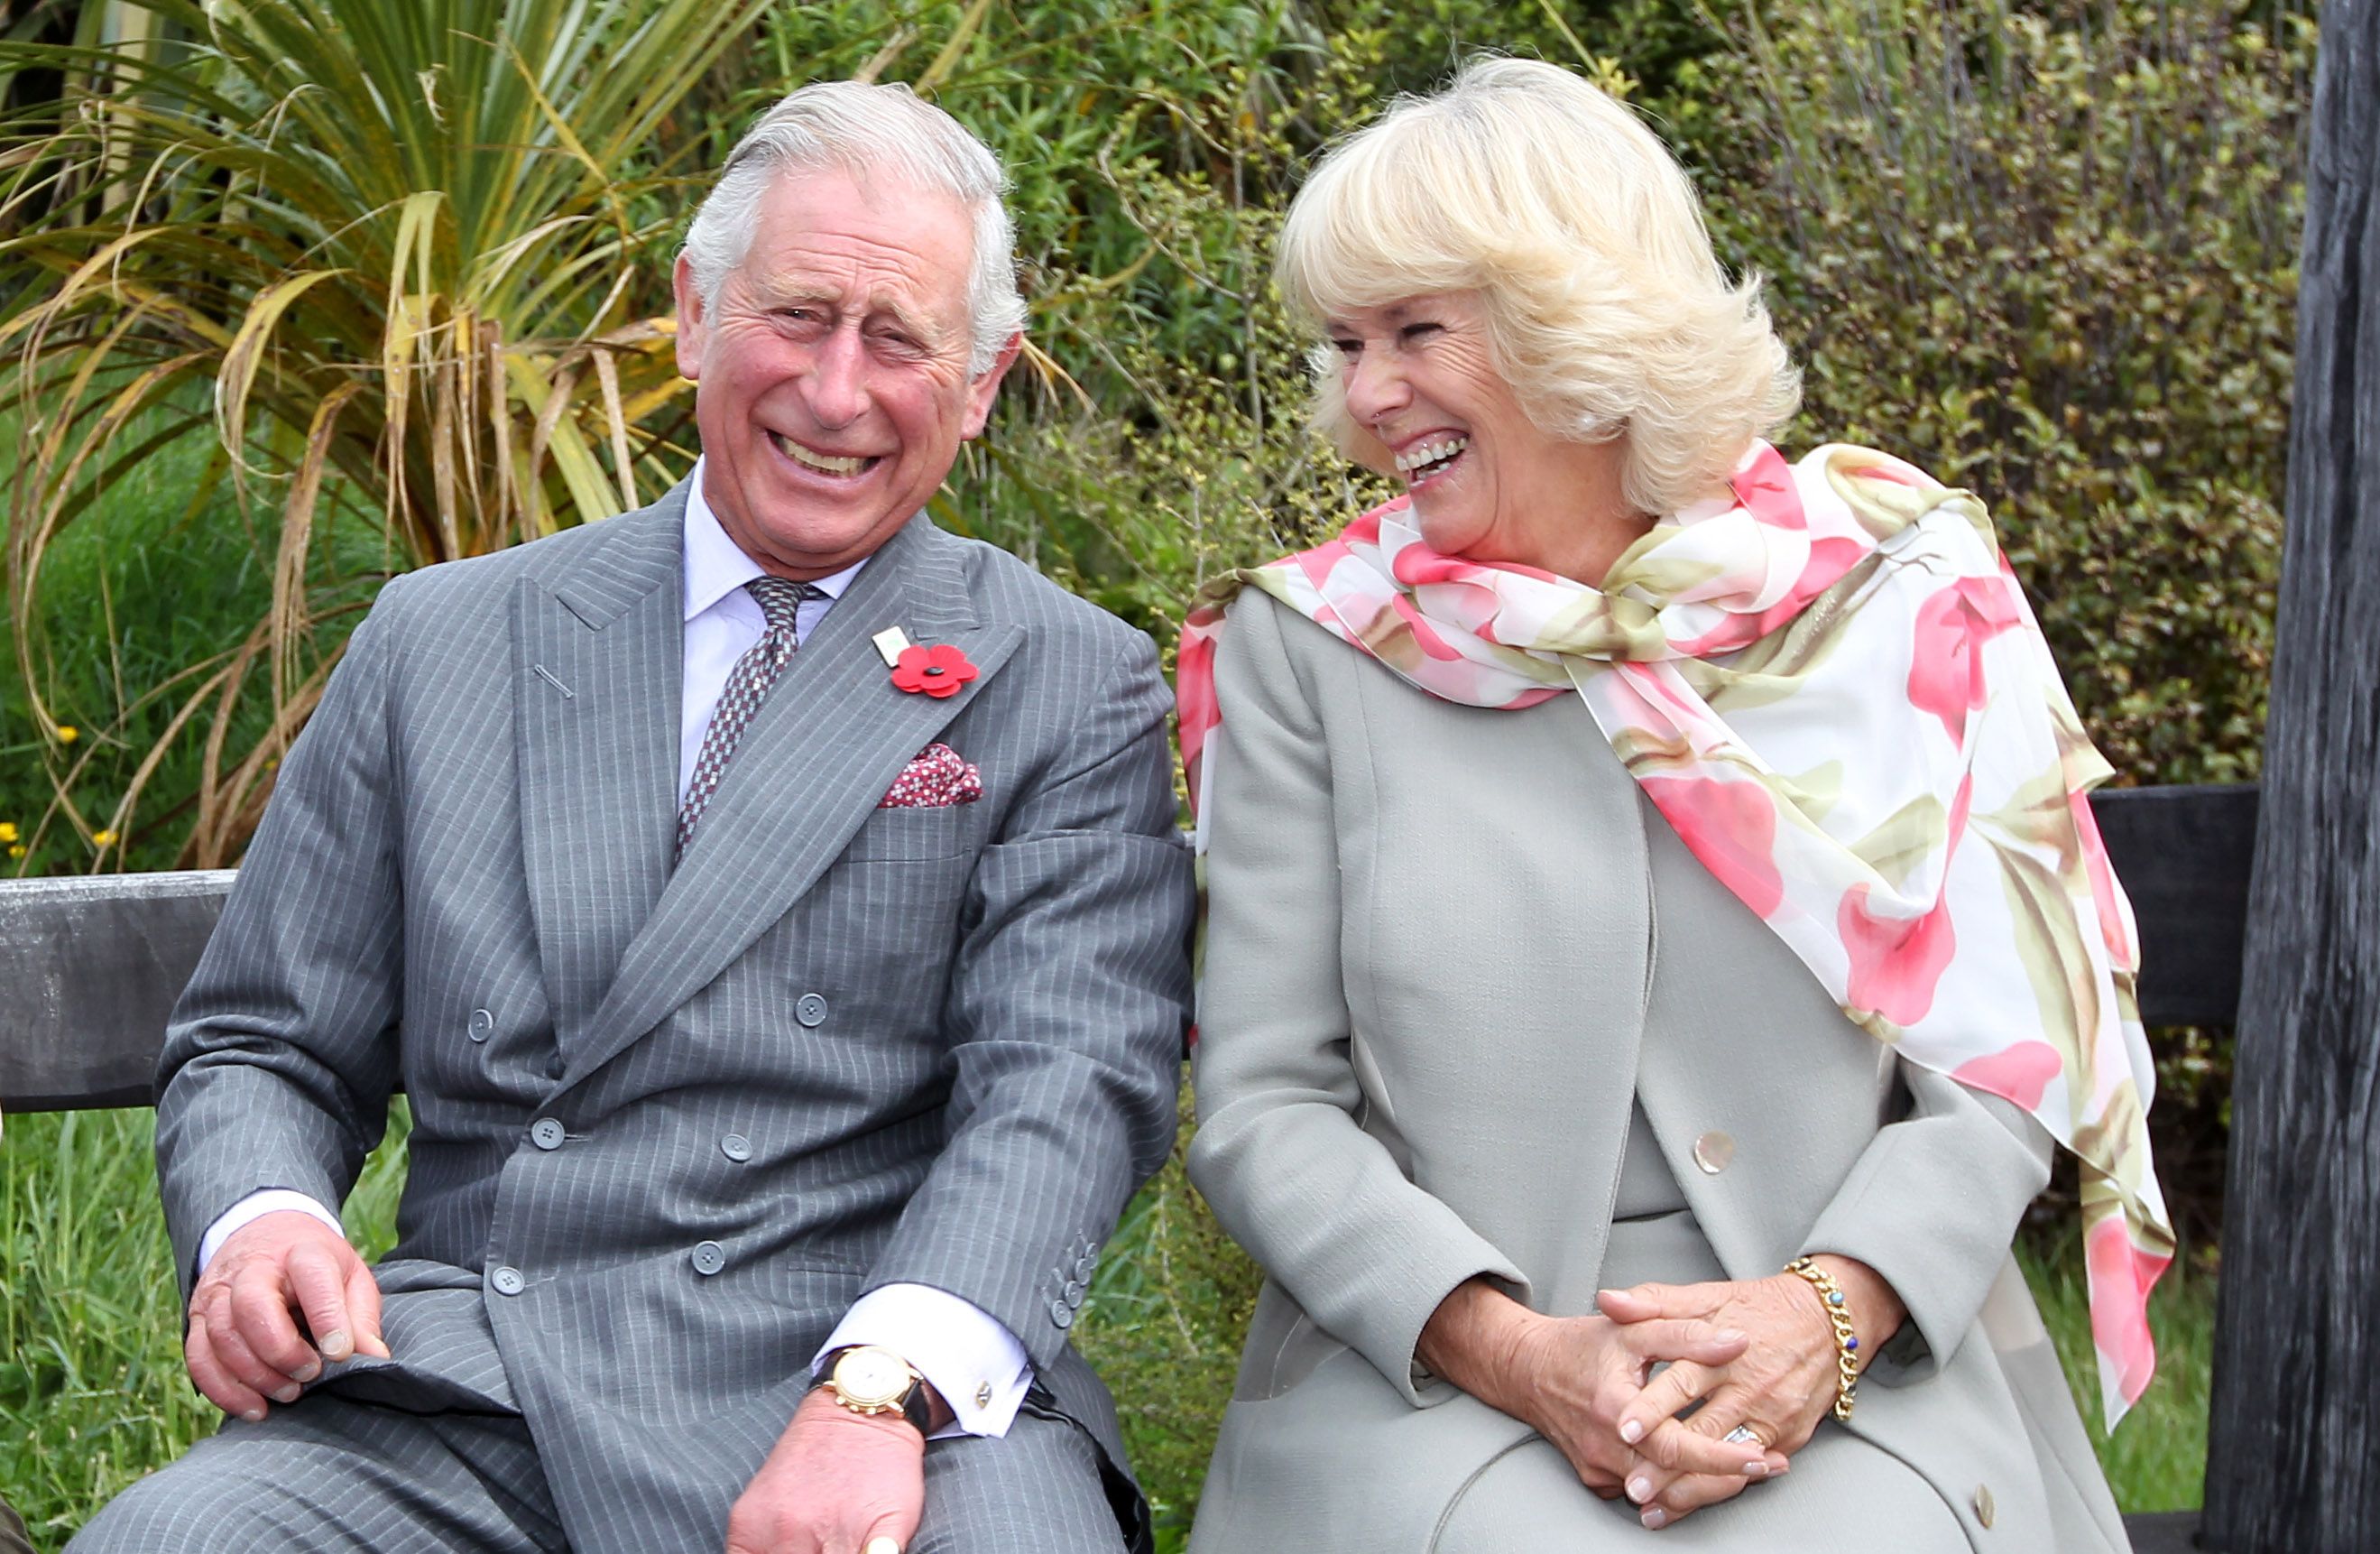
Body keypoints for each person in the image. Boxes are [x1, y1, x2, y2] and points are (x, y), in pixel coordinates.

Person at [72, 80, 1193, 1554]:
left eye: (900, 340)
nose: (838, 391)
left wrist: (878, 1392)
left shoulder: (1066, 678)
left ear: (982, 385)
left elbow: (1061, 1094)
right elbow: (266, 1039)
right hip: (481, 1383)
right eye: (796, 315)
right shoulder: (443, 637)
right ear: (693, 315)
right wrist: (261, 1219)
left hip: (886, 1375)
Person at [1174, 58, 2170, 1552]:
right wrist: (1518, 1348)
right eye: (1345, 343)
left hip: (1856, 1350)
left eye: (1417, 331)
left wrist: (1825, 1314)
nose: (1368, 396)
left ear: (1574, 323)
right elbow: (1264, 1103)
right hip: (1440, 1379)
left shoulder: (1892, 595)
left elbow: (2006, 1056)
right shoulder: (1311, 650)